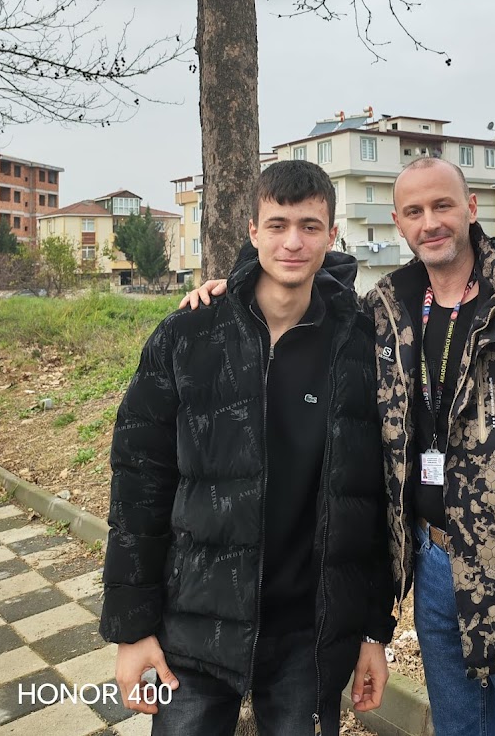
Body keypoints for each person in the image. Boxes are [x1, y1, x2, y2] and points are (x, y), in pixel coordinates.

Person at [186, 156, 495, 736]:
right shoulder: (387, 310)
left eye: (443, 205)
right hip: (435, 567)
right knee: (458, 729)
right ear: (398, 222)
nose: (430, 223)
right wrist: (235, 289)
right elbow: (306, 293)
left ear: (471, 208)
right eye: (414, 212)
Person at [100, 160, 394, 736]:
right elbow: (138, 484)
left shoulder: (361, 346)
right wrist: (133, 631)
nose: (293, 241)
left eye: (310, 226)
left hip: (308, 638)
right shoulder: (188, 337)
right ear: (252, 231)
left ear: (332, 235)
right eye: (277, 224)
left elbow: (376, 499)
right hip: (196, 624)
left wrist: (371, 632)